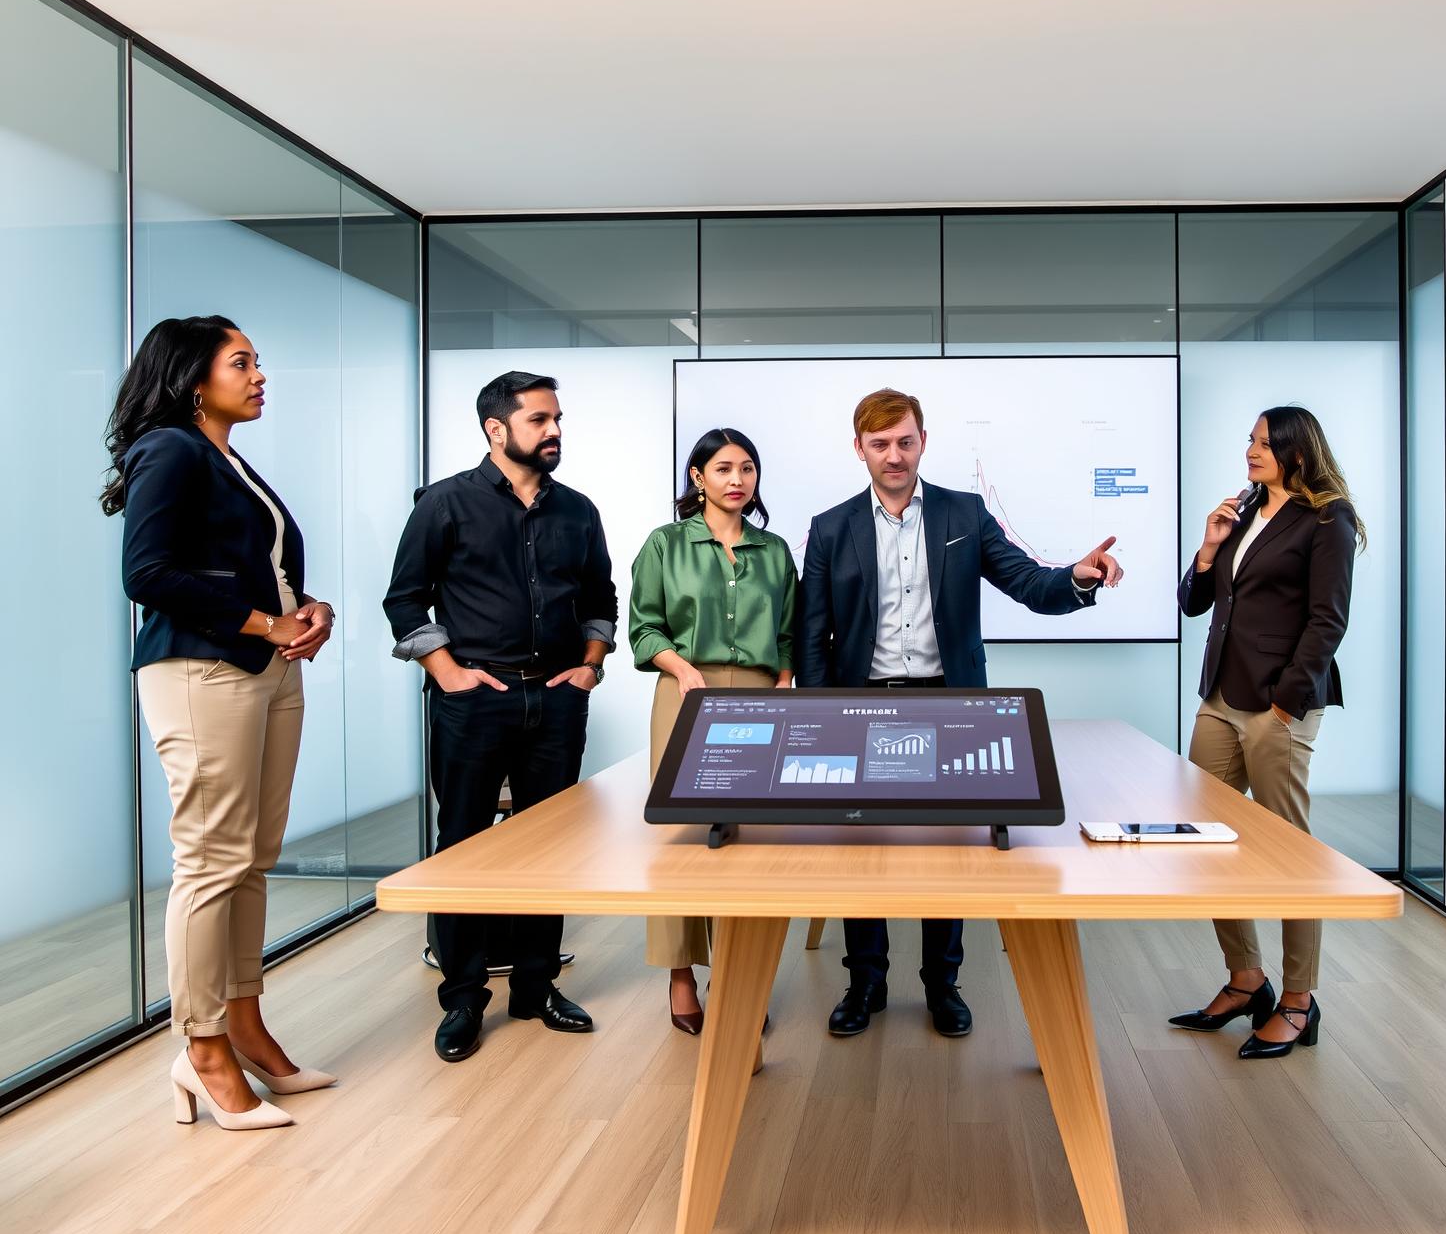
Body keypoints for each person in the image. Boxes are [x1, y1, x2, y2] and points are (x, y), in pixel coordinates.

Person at [796, 388, 1122, 1038]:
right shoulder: (831, 528)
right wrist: (818, 718)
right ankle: (865, 981)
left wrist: (1079, 578)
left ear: (923, 441)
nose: (894, 455)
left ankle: (942, 984)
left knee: (946, 849)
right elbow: (813, 632)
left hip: (949, 702)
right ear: (858, 448)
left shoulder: (963, 514)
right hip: (862, 707)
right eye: (880, 444)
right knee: (865, 850)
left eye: (905, 441)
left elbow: (1031, 584)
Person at [104, 315, 338, 1131]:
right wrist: (264, 623)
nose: (260, 374)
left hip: (266, 674)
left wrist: (307, 610)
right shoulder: (171, 449)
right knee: (210, 860)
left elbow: (262, 568)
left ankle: (244, 1025)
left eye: (258, 361)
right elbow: (149, 573)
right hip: (202, 672)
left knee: (251, 859)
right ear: (194, 380)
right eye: (243, 362)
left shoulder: (229, 460)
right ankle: (201, 1050)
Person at [384, 370, 616, 1062]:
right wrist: (448, 673)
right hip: (473, 705)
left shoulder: (577, 509)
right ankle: (461, 999)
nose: (554, 431)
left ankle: (537, 986)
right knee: (461, 843)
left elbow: (602, 594)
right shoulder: (445, 504)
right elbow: (404, 599)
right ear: (496, 429)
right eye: (540, 420)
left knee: (548, 846)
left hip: (555, 701)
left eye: (557, 419)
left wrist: (591, 664)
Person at [1169, 405, 1361, 1059]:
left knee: (1289, 855)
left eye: (1261, 443)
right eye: (1248, 439)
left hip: (1278, 704)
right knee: (1202, 838)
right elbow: (1194, 602)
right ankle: (1247, 978)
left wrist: (1283, 705)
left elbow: (1327, 620)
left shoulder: (1329, 519)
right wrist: (1210, 546)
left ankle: (1300, 1001)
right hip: (1220, 696)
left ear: (1296, 452)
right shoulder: (1246, 509)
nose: (1249, 451)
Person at [631, 428, 795, 1035]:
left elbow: (787, 632)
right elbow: (644, 629)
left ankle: (736, 976)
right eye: (723, 468)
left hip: (758, 695)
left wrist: (783, 682)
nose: (737, 479)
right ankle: (680, 975)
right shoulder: (664, 545)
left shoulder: (774, 550)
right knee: (679, 836)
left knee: (749, 838)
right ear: (697, 477)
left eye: (748, 468)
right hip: (684, 691)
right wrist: (682, 670)